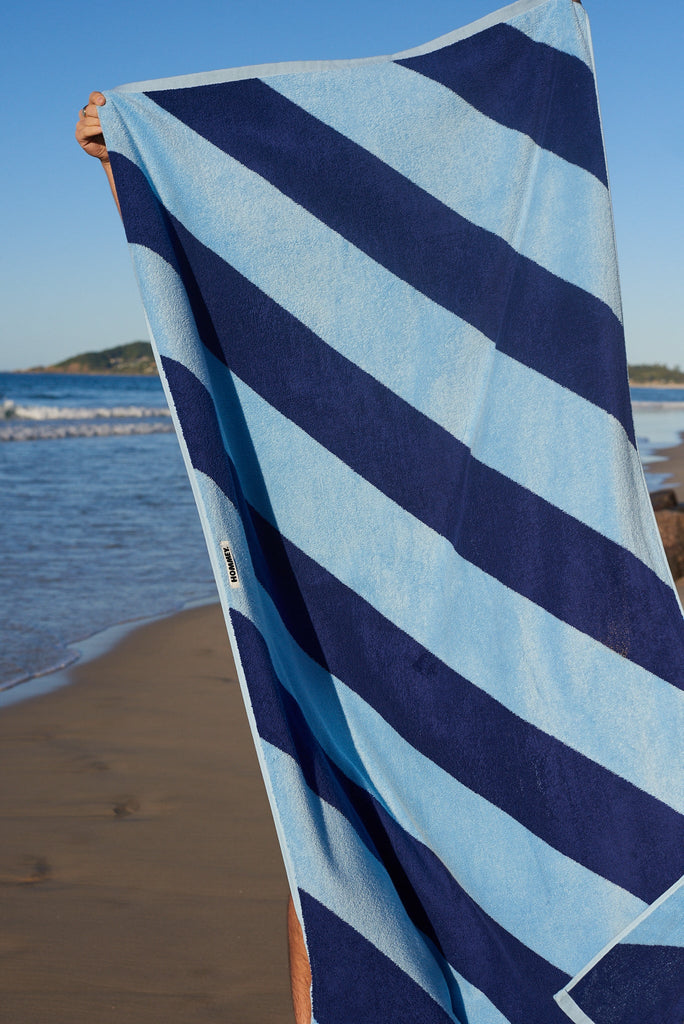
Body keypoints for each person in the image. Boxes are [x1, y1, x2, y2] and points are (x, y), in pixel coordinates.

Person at [75, 91, 313, 1024]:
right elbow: (194, 295)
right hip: (300, 600)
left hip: (421, 615)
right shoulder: (263, 351)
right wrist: (121, 164)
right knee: (318, 844)